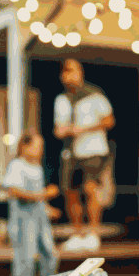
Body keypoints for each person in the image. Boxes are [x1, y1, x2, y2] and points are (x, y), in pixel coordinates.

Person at [53, 59, 115, 249]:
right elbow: (57, 129)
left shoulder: (94, 95)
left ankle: (93, 234)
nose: (69, 75)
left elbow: (109, 120)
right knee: (70, 192)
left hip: (93, 149)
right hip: (71, 152)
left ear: (80, 73)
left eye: (73, 70)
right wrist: (64, 131)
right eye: (65, 71)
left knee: (90, 188)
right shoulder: (61, 100)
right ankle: (77, 234)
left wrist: (84, 128)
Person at [2, 131, 60, 276]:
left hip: (40, 220)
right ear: (24, 146)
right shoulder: (17, 165)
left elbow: (40, 198)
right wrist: (44, 194)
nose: (40, 150)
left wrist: (47, 208)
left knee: (50, 254)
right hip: (23, 221)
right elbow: (13, 191)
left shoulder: (37, 168)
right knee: (25, 259)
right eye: (37, 146)